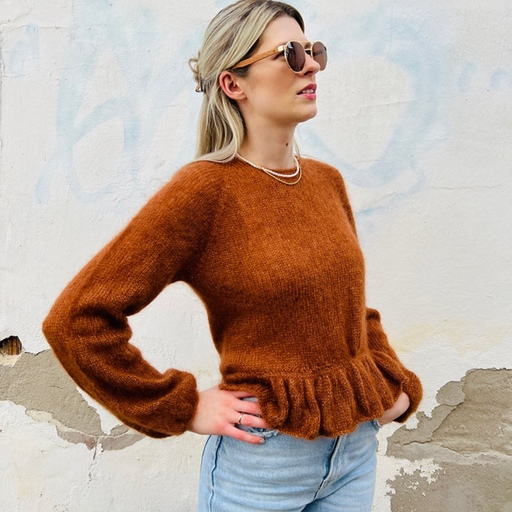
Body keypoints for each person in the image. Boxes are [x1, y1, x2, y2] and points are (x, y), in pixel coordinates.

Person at [42, 1, 422, 510]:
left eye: (314, 51)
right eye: (290, 54)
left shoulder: (325, 182)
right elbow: (76, 320)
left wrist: (394, 387)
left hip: (354, 455)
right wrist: (181, 407)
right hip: (264, 466)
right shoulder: (204, 192)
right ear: (232, 83)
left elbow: (351, 311)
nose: (311, 65)